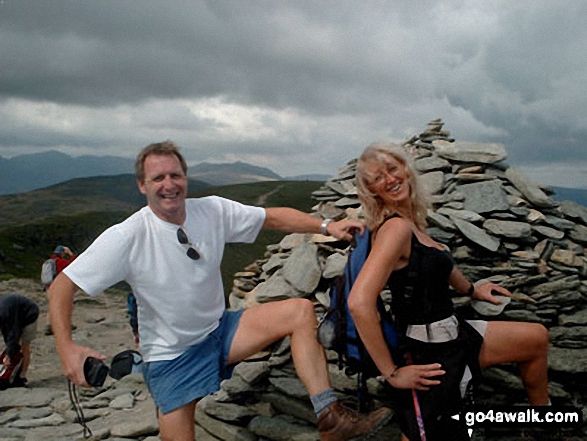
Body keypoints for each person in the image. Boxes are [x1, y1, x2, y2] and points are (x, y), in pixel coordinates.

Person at [49, 141, 391, 441]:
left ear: (185, 177)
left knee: (300, 311)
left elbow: (271, 217)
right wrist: (66, 349)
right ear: (142, 186)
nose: (169, 184)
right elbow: (62, 286)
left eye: (175, 175)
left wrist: (328, 225)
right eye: (158, 178)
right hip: (172, 356)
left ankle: (330, 416)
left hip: (220, 331)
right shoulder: (128, 235)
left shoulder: (209, 210)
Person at [349, 143, 549, 440]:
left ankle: (542, 423)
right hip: (429, 350)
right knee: (429, 431)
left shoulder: (412, 223)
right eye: (378, 178)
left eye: (392, 169)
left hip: (456, 334)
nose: (390, 179)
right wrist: (391, 373)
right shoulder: (395, 230)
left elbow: (440, 264)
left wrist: (472, 289)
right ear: (372, 191)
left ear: (406, 169)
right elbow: (358, 302)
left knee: (535, 338)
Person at [0, 293, 40, 387]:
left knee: (25, 346)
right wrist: (9, 350)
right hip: (15, 312)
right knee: (12, 346)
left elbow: (13, 332)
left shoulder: (4, 312)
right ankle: (12, 371)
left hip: (29, 314)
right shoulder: (3, 314)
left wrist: (9, 356)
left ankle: (22, 376)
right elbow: (6, 331)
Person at [44, 245, 77, 335]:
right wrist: (70, 253)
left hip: (48, 287)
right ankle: (66, 325)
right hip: (58, 287)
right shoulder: (60, 262)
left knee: (52, 305)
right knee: (66, 305)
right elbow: (74, 265)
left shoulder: (48, 262)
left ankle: (49, 325)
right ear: (62, 253)